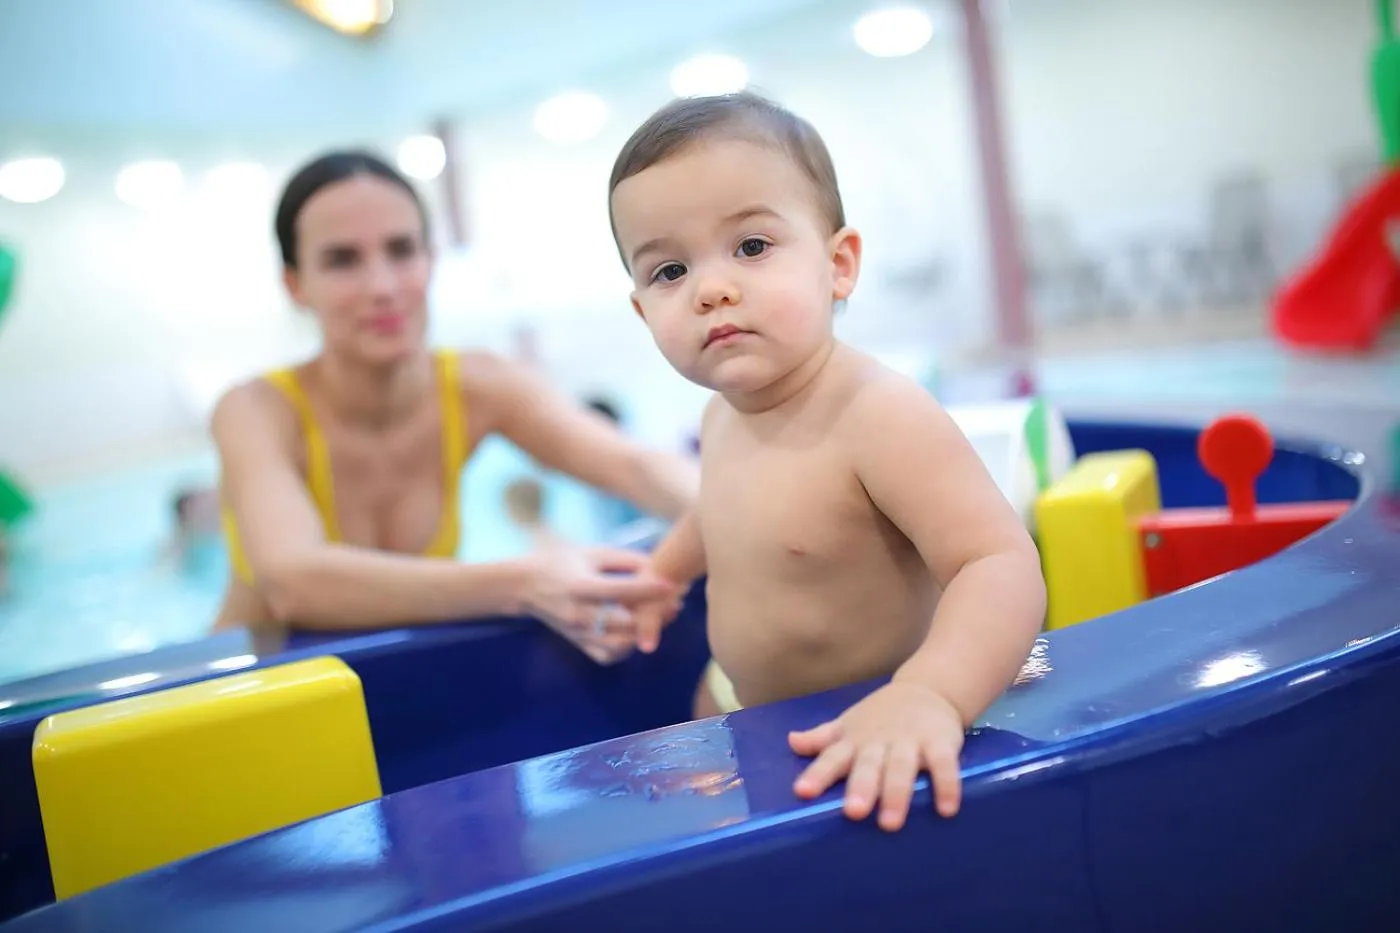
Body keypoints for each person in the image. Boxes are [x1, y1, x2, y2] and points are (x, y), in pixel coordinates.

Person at [607, 93, 1047, 830]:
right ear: (643, 310)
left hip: (882, 706)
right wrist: (662, 573)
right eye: (670, 270)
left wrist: (934, 693)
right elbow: (721, 512)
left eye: (751, 246)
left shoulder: (877, 414)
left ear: (839, 264)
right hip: (745, 700)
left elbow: (998, 561)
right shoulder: (721, 415)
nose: (711, 288)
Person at [211, 151, 697, 664]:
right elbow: (294, 580)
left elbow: (634, 464)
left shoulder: (476, 385)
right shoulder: (257, 411)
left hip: (399, 676)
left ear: (430, 259)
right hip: (250, 696)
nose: (383, 287)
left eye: (401, 250)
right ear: (295, 286)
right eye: (342, 261)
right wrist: (527, 582)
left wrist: (743, 508)